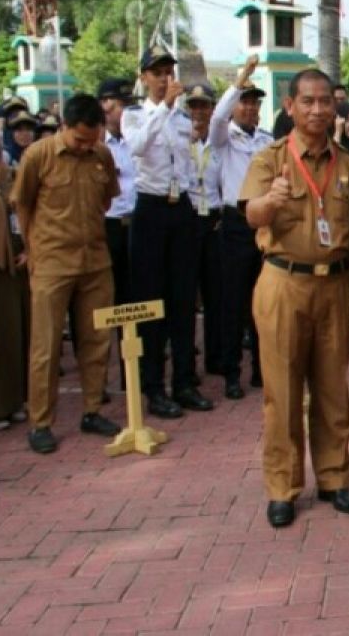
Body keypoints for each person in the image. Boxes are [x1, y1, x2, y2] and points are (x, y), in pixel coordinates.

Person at [241, 68, 349, 528]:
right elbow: (251, 214)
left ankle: (335, 478)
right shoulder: (269, 160)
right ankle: (282, 487)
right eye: (308, 102)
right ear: (290, 106)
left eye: (326, 102)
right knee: (282, 392)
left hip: (336, 286)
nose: (318, 110)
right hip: (283, 284)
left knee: (333, 390)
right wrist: (271, 202)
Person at [10, 94, 122, 454]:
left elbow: (107, 200)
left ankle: (92, 410)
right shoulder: (38, 156)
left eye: (92, 139)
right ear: (63, 127)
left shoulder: (102, 156)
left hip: (95, 261)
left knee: (98, 339)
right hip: (52, 263)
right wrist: (33, 249)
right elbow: (23, 203)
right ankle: (41, 422)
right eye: (80, 139)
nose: (86, 146)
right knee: (46, 345)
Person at [123, 47, 214, 418]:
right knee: (152, 302)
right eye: (157, 72)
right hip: (150, 209)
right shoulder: (135, 115)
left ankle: (184, 382)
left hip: (182, 210)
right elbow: (137, 147)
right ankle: (154, 387)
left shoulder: (180, 119)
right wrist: (162, 108)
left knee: (182, 299)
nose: (164, 78)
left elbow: (190, 159)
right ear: (144, 77)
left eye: (168, 72)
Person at [209, 57, 275, 399]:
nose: (250, 108)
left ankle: (262, 370)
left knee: (263, 302)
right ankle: (231, 372)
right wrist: (239, 81)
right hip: (235, 223)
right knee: (233, 302)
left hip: (263, 222)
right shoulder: (223, 137)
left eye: (254, 102)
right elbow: (218, 116)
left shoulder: (266, 140)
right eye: (245, 102)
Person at [0, 117, 27, 430]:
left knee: (12, 335)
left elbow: (27, 213)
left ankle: (14, 401)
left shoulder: (10, 174)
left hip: (11, 267)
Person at [98, 79, 137, 394]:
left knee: (139, 300)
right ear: (106, 106)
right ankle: (100, 381)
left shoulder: (135, 139)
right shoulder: (95, 145)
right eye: (122, 104)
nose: (127, 110)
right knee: (107, 305)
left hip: (137, 225)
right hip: (107, 227)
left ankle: (134, 376)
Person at [184, 85, 224, 385]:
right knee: (186, 298)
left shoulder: (220, 142)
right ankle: (186, 365)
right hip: (186, 219)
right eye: (193, 106)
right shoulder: (178, 140)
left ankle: (216, 357)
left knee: (216, 295)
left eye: (204, 106)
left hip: (214, 220)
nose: (198, 112)